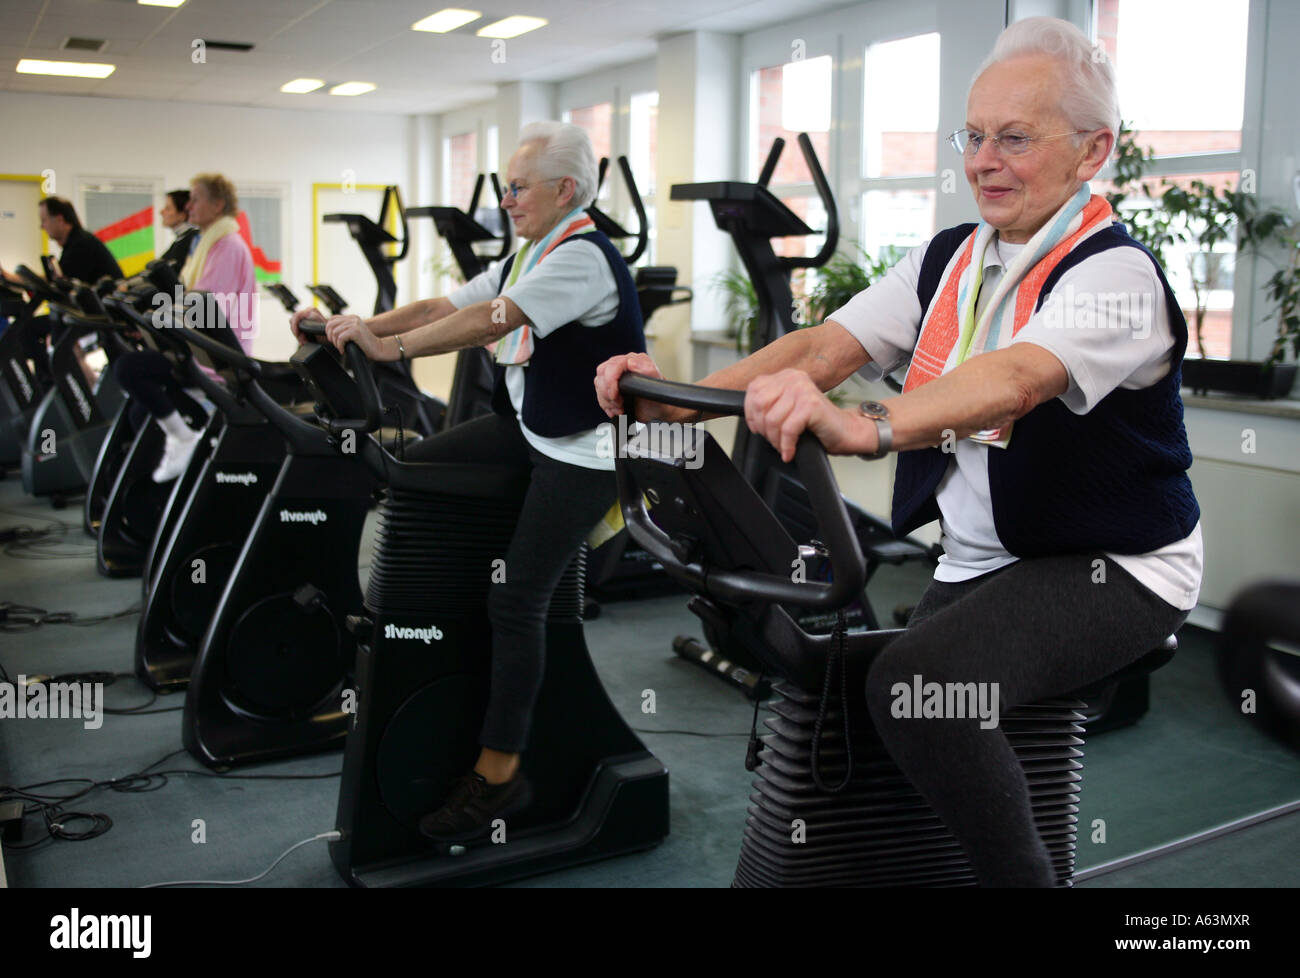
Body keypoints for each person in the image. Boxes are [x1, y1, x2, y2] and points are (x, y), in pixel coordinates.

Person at [596, 16, 1202, 887]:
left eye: (1016, 139)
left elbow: (1018, 376)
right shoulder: (949, 259)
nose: (984, 160)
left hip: (1116, 564)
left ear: (1092, 150)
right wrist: (671, 402)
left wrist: (870, 425)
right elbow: (820, 348)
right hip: (985, 557)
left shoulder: (1115, 276)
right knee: (861, 695)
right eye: (975, 136)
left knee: (920, 694)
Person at [293, 121, 645, 840]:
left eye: (516, 188)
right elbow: (445, 306)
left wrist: (384, 346)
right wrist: (352, 324)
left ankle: (498, 775)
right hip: (532, 430)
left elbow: (491, 321)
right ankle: (422, 661)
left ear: (564, 190)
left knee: (516, 600)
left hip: (585, 455)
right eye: (506, 187)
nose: (507, 200)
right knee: (414, 474)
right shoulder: (532, 249)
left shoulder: (581, 260)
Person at [114, 173, 259, 482]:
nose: (189, 206)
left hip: (218, 356)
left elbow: (204, 309)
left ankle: (184, 439)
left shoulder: (227, 246)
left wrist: (162, 313)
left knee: (129, 369)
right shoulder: (207, 243)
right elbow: (191, 304)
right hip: (201, 350)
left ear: (217, 204)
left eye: (195, 199)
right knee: (140, 411)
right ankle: (165, 489)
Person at [1, 197, 125, 383]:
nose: (42, 226)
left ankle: (53, 382)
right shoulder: (73, 244)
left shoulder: (81, 245)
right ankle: (53, 383)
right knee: (31, 331)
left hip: (100, 314)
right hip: (86, 312)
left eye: (44, 220)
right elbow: (55, 283)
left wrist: (14, 279)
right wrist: (14, 279)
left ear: (59, 219)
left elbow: (59, 285)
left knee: (28, 331)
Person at [158, 189, 199, 269]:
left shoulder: (190, 239)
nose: (161, 212)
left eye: (168, 208)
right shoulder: (181, 239)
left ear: (182, 215)